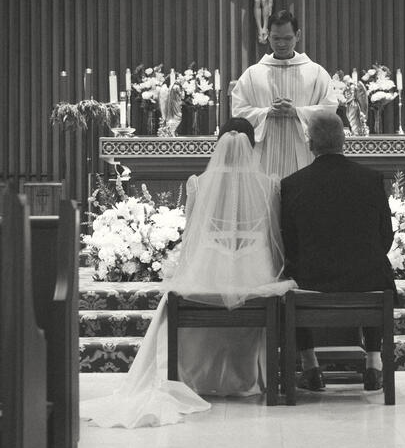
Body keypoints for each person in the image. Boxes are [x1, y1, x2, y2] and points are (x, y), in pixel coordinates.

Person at [80, 118, 295, 428]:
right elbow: (276, 240)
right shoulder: (270, 184)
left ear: (218, 144)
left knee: (173, 300)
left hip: (208, 273)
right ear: (253, 145)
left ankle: (188, 378)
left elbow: (191, 239)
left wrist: (190, 275)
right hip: (255, 277)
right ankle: (247, 376)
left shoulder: (197, 183)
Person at [280, 111, 396, 393]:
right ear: (344, 140)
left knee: (289, 282)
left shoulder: (293, 184)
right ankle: (373, 365)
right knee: (374, 271)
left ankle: (311, 368)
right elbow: (386, 236)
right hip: (367, 281)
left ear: (310, 144)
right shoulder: (370, 179)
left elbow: (289, 245)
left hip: (313, 282)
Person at [230, 9, 338, 178]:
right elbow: (238, 111)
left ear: (298, 35)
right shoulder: (253, 74)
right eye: (276, 38)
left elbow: (330, 110)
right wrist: (267, 112)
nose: (281, 44)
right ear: (268, 36)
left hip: (304, 154)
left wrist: (297, 112)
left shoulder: (316, 72)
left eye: (287, 38)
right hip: (264, 154)